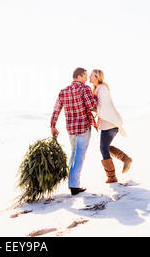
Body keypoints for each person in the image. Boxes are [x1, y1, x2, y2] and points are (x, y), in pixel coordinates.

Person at [50, 67, 97, 195]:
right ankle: (74, 186)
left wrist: (53, 125)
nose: (87, 79)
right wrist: (96, 97)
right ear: (79, 76)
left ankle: (71, 181)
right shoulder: (85, 88)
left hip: (70, 129)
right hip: (83, 127)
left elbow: (56, 109)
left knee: (74, 153)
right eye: (85, 76)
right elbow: (91, 105)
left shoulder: (63, 91)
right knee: (79, 156)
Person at [89, 69, 132, 183]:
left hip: (110, 123)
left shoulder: (102, 89)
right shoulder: (98, 89)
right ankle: (125, 159)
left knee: (103, 148)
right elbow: (101, 107)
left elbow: (105, 107)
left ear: (97, 77)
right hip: (108, 123)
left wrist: (91, 108)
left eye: (91, 75)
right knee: (105, 147)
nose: (89, 77)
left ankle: (112, 177)